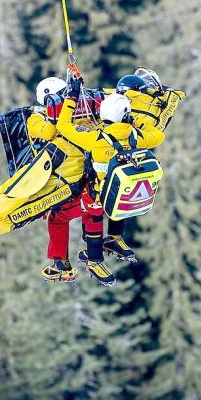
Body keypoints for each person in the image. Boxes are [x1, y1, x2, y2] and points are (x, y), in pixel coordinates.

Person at [56, 74, 165, 286]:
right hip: (121, 195)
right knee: (120, 197)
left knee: (93, 213)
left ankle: (95, 258)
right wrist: (136, 122)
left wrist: (72, 96)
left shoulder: (96, 139)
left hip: (97, 195)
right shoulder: (137, 136)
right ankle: (115, 236)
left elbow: (63, 126)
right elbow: (158, 135)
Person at [29, 77, 82, 282]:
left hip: (78, 175)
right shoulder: (36, 118)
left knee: (62, 216)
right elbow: (50, 131)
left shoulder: (76, 113)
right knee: (58, 217)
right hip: (62, 176)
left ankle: (65, 261)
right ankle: (61, 262)